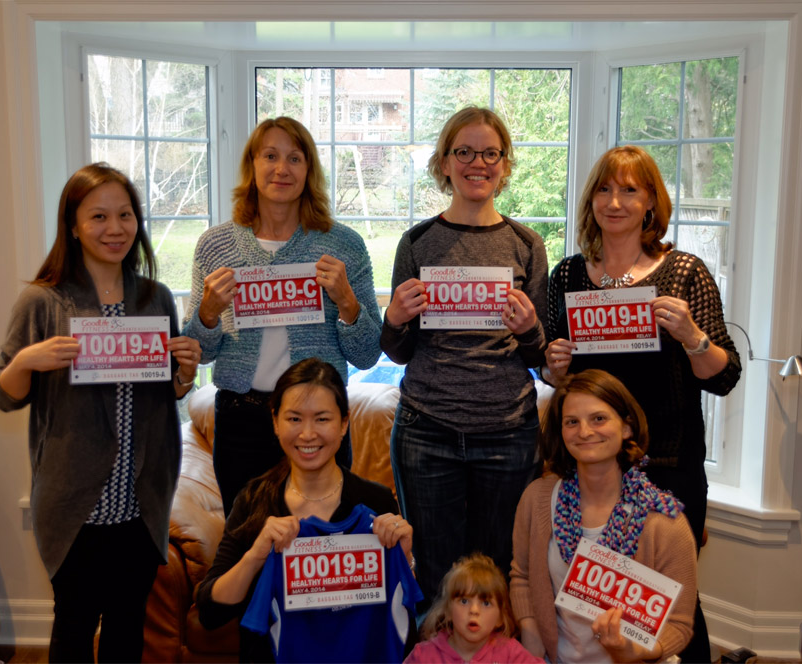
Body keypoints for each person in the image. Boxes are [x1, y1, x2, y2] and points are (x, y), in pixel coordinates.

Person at [0, 163, 202, 663]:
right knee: (74, 626)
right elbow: (2, 394)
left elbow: (165, 392)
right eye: (99, 216)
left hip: (141, 503)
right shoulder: (43, 302)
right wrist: (26, 361)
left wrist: (187, 374)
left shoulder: (155, 299)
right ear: (73, 225)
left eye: (125, 215)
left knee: (129, 628)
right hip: (73, 505)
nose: (115, 228)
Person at [544, 145, 740, 661]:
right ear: (591, 201)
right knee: (597, 593)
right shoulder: (567, 277)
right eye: (605, 189)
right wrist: (553, 365)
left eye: (630, 189)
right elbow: (554, 375)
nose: (616, 201)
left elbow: (724, 377)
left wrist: (693, 335)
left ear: (651, 201)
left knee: (672, 599)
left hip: (669, 464)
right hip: (592, 463)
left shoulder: (684, 273)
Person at [381, 106, 548, 606]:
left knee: (496, 573)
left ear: (505, 163)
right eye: (465, 152)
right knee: (435, 576)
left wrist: (530, 329)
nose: (479, 162)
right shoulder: (416, 242)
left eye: (490, 153)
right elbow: (398, 349)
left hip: (508, 431)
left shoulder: (527, 244)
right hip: (427, 430)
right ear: (445, 163)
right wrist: (394, 316)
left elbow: (541, 358)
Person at [183, 116, 381, 517]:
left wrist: (347, 301)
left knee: (322, 541)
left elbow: (366, 354)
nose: (281, 169)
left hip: (320, 422)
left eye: (294, 158)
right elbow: (199, 354)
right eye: (270, 156)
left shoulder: (343, 244)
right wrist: (206, 313)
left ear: (308, 171)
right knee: (248, 543)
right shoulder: (215, 246)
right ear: (251, 165)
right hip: (242, 421)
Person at [195, 358, 421, 663]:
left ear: (344, 424)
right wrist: (256, 555)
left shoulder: (374, 501)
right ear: (275, 422)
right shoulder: (254, 500)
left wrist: (404, 556)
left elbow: (404, 615)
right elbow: (210, 611)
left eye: (322, 419)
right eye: (294, 419)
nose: (307, 434)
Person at [511, 369, 697, 663]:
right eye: (572, 422)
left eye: (598, 419)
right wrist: (531, 635)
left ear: (626, 428)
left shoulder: (664, 522)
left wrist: (631, 651)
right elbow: (522, 575)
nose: (584, 432)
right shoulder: (538, 499)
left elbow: (679, 625)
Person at [405, 552, 542, 663]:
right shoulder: (424, 656)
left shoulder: (511, 654)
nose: (474, 610)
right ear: (448, 611)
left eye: (486, 603)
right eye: (464, 601)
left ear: (500, 617)